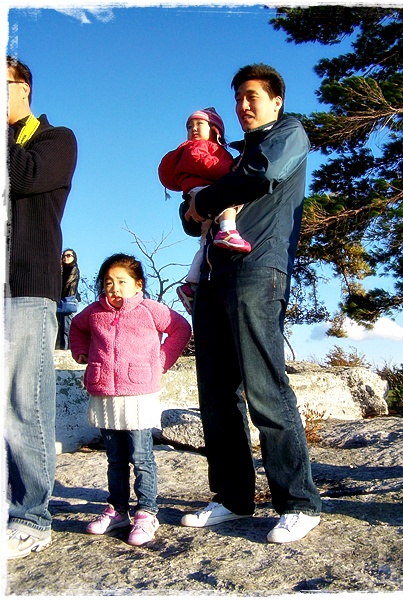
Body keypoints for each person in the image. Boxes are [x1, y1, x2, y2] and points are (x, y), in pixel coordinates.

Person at [179, 64, 322, 543]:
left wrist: (206, 200)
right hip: (213, 275)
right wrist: (195, 204)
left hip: (259, 268)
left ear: (276, 100)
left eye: (252, 96)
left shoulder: (288, 133)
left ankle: (299, 502)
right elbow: (189, 216)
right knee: (216, 393)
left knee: (264, 386)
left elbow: (264, 175)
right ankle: (233, 497)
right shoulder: (230, 154)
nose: (243, 105)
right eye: (238, 97)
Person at [4, 56, 78, 560]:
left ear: (24, 88)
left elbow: (22, 176)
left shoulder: (54, 139)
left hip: (28, 286)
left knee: (24, 403)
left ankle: (32, 517)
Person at [69, 253, 191, 545]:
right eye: (108, 282)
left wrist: (161, 360)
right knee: (115, 459)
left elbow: (181, 328)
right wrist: (81, 351)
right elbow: (77, 328)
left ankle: (147, 513)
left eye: (121, 281)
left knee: (141, 458)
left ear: (138, 285)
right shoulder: (93, 312)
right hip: (105, 395)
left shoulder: (150, 309)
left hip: (139, 394)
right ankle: (118, 511)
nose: (114, 288)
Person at [158, 107, 251, 314]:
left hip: (197, 192)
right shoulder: (198, 146)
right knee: (230, 199)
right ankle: (228, 230)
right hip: (203, 190)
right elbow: (203, 163)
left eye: (200, 124)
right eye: (189, 126)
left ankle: (190, 285)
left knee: (204, 243)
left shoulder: (203, 147)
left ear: (214, 129)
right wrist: (230, 171)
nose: (194, 129)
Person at [55, 248, 80, 350]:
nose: (66, 258)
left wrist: (57, 293)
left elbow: (66, 284)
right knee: (59, 327)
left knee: (67, 327)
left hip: (68, 299)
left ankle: (68, 349)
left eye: (69, 255)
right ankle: (61, 347)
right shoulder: (62, 270)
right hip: (61, 300)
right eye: (64, 256)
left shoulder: (73, 269)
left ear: (74, 257)